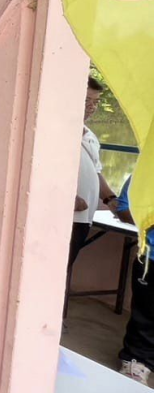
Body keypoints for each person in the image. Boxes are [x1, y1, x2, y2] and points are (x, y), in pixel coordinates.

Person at [69, 78, 119, 304]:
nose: (91, 106)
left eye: (95, 102)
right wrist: (66, 197)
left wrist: (110, 198)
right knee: (51, 268)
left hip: (82, 218)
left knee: (65, 268)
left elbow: (96, 171)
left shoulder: (89, 135)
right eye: (86, 100)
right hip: (64, 217)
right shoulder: (53, 129)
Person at [116, 174, 154, 384]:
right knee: (146, 316)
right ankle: (137, 363)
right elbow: (123, 208)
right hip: (151, 257)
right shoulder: (148, 168)